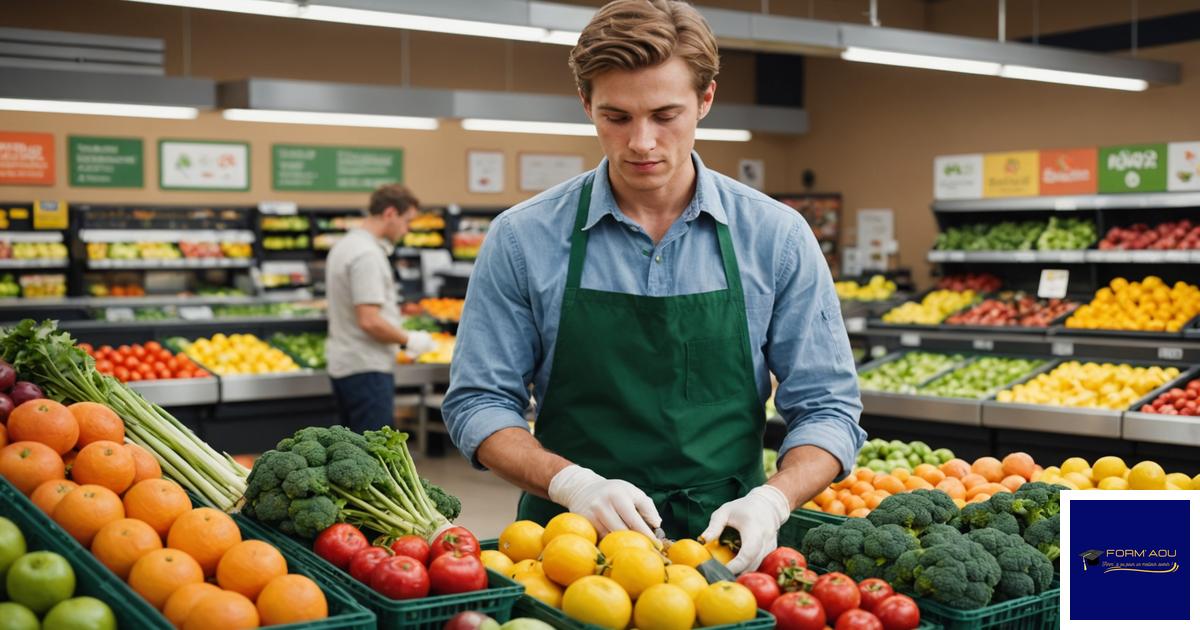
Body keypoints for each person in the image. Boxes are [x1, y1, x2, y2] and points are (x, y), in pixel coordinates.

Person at [443, 0, 864, 574]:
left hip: (729, 551)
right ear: (587, 104)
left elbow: (828, 407)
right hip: (568, 550)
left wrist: (774, 498)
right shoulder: (523, 239)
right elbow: (479, 403)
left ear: (706, 100)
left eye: (665, 115)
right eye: (617, 117)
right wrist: (571, 484)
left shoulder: (776, 237)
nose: (642, 142)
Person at [326, 184, 437, 433]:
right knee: (374, 455)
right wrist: (410, 339)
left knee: (350, 449)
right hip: (367, 369)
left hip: (346, 364)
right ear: (390, 214)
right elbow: (369, 320)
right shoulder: (367, 255)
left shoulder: (346, 245)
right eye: (407, 221)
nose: (406, 230)